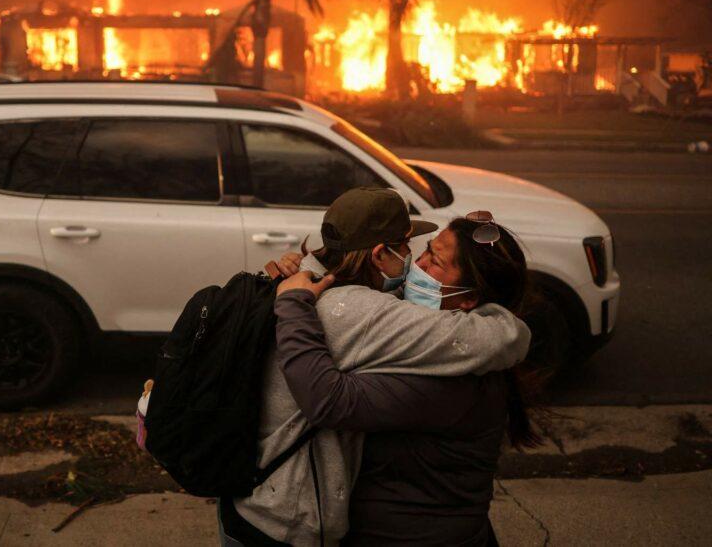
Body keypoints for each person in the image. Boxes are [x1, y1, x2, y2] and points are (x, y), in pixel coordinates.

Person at [219, 188, 531, 547]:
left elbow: (335, 392)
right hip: (288, 523)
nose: (418, 264)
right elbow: (379, 319)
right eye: (419, 249)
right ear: (381, 254)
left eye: (434, 259)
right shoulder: (381, 320)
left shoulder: (452, 371)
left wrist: (298, 282)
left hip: (398, 533)